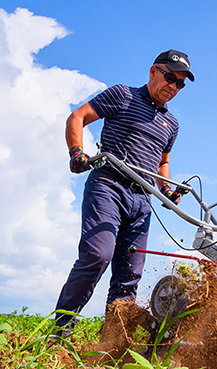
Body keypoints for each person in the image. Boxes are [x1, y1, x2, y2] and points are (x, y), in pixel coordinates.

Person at [52, 49, 195, 337]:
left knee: (129, 276)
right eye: (170, 78)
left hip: (142, 200)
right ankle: (60, 330)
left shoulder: (172, 124)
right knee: (97, 254)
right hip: (109, 185)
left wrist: (166, 189)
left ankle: (113, 342)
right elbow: (78, 117)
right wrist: (76, 152)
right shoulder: (123, 95)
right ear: (154, 71)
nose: (173, 87)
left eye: (180, 84)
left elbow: (163, 161)